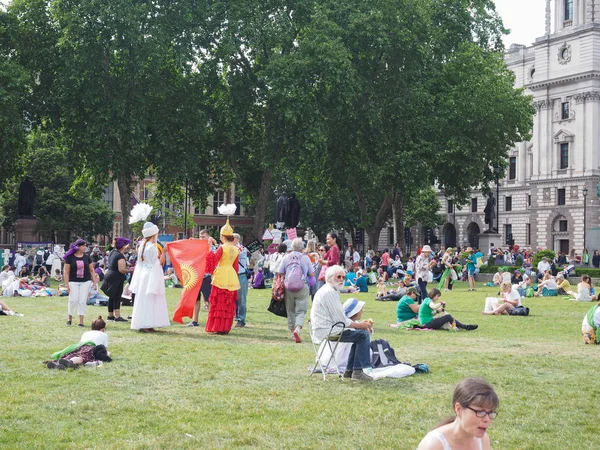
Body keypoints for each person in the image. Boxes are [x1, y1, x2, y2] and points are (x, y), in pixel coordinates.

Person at [310, 265, 373, 381]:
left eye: (343, 277)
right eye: (338, 277)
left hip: (327, 328)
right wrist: (361, 325)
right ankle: (358, 371)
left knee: (359, 334)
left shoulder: (329, 290)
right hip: (329, 330)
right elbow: (341, 321)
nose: (341, 280)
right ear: (329, 278)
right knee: (363, 334)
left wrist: (358, 325)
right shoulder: (329, 292)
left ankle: (350, 370)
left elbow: (340, 319)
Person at [417, 378, 497, 450]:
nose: (487, 419)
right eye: (480, 412)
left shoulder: (482, 440)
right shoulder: (433, 445)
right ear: (458, 409)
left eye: (490, 413)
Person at [130, 221, 171, 333]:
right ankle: (146, 323)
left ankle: (147, 322)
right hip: (150, 275)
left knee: (144, 299)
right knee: (150, 299)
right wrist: (164, 252)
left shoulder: (142, 245)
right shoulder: (151, 247)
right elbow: (157, 263)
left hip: (143, 275)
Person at [278, 238, 315, 343]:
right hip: (302, 286)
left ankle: (292, 331)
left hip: (288, 286)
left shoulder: (286, 257)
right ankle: (298, 328)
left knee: (290, 310)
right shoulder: (305, 258)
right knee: (301, 310)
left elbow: (280, 271)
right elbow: (312, 273)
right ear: (302, 247)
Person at [205, 218, 240, 334]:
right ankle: (225, 327)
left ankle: (217, 327)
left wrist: (210, 249)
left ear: (223, 236)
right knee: (228, 303)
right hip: (231, 275)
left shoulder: (222, 247)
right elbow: (236, 267)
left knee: (219, 302)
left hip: (221, 275)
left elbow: (214, 261)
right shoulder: (236, 249)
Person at [46, 316, 112, 369]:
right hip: (91, 349)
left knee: (74, 354)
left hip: (80, 347)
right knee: (82, 358)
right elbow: (104, 351)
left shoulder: (86, 333)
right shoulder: (104, 335)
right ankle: (71, 362)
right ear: (102, 329)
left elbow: (81, 343)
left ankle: (58, 363)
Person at [186, 229, 218, 327]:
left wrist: (214, 244)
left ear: (208, 237)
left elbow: (215, 257)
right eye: (200, 236)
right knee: (196, 300)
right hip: (197, 276)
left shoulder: (212, 247)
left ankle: (211, 321)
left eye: (203, 237)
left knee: (209, 300)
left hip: (207, 277)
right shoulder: (198, 248)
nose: (201, 238)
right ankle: (195, 321)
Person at [63, 239, 96, 327]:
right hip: (73, 281)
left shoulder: (87, 257)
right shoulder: (70, 258)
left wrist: (94, 282)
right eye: (83, 246)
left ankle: (81, 321)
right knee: (73, 300)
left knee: (82, 301)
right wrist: (67, 285)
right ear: (78, 247)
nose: (85, 247)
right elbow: (66, 272)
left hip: (85, 281)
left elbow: (91, 270)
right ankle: (69, 318)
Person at [101, 237, 131, 323]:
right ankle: (117, 317)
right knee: (117, 297)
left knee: (111, 296)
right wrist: (131, 270)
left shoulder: (112, 252)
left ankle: (110, 316)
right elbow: (121, 269)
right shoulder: (119, 255)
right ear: (123, 246)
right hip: (116, 277)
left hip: (109, 275)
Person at [233, 233, 249, 328]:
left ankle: (241, 319)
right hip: (232, 275)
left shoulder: (241, 249)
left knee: (241, 299)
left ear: (238, 239)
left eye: (232, 238)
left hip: (241, 275)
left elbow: (235, 254)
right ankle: (234, 316)